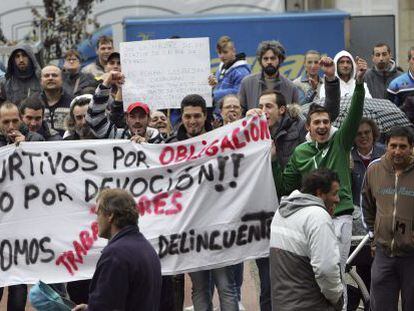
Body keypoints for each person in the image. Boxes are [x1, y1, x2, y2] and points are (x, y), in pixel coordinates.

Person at [274, 56, 368, 310]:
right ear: (309, 126)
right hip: (311, 218)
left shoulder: (340, 142)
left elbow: (355, 114)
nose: (323, 125)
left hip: (339, 215)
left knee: (334, 270)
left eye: (326, 121)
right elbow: (286, 187)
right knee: (314, 273)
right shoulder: (301, 152)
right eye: (317, 122)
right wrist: (272, 162)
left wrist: (358, 85)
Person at [168, 94, 239, 311]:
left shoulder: (220, 139)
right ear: (181, 117)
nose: (192, 121)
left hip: (219, 226)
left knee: (226, 285)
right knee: (199, 288)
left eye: (197, 116)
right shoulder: (170, 145)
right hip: (190, 230)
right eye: (187, 116)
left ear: (205, 115)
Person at [72, 188, 162, 311]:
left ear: (110, 215)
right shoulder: (146, 248)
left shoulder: (115, 255)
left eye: (98, 214)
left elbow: (103, 307)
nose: (96, 220)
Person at [270, 168, 343, 311]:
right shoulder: (318, 217)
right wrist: (337, 298)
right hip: (310, 305)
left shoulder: (280, 212)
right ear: (319, 193)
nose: (338, 199)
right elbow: (326, 269)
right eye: (334, 194)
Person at [362, 126, 414, 311]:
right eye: (393, 146)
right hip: (383, 254)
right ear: (386, 145)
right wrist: (373, 235)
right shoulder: (374, 169)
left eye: (402, 146)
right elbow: (366, 204)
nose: (397, 151)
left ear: (411, 147)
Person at [0, 102, 44, 310]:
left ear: (21, 119)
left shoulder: (35, 140)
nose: (11, 126)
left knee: (17, 283)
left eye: (14, 120)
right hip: (1, 222)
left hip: (22, 223)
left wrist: (26, 149)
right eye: (5, 122)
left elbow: (44, 174)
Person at [348, 118, 385, 308]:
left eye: (367, 133)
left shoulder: (384, 153)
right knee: (365, 271)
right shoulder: (348, 156)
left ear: (374, 134)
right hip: (361, 225)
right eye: (358, 133)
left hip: (385, 219)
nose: (363, 137)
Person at [86, 70, 162, 143]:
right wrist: (106, 84)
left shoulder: (159, 141)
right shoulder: (117, 137)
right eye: (132, 116)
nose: (137, 121)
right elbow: (94, 120)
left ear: (149, 119)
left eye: (142, 116)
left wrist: (147, 146)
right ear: (126, 118)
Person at [239, 40, 299, 111]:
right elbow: (241, 112)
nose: (269, 62)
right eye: (265, 58)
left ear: (280, 60)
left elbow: (295, 117)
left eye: (273, 58)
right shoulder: (247, 83)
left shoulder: (291, 87)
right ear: (260, 60)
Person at [28, 65, 73, 137]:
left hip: (66, 146)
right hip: (39, 146)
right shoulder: (32, 102)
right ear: (41, 81)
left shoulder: (72, 103)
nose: (50, 78)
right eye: (46, 76)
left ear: (61, 80)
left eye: (54, 75)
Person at [208, 36, 251, 107]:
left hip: (234, 113)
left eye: (225, 52)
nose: (222, 56)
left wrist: (214, 94)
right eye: (219, 53)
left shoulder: (242, 72)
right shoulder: (221, 68)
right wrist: (212, 86)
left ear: (233, 51)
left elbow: (239, 93)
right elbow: (217, 88)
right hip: (219, 112)